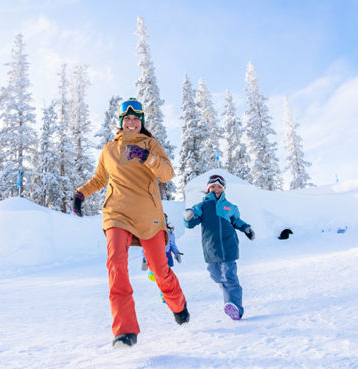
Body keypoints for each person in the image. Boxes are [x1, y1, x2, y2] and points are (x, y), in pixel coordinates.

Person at [72, 98, 189, 348]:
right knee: (115, 264)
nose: (132, 122)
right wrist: (81, 193)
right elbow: (99, 179)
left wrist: (148, 157)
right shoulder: (109, 150)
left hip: (148, 215)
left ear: (141, 122)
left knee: (160, 271)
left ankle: (178, 303)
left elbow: (167, 174)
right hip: (117, 213)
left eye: (136, 119)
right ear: (121, 123)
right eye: (127, 119)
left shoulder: (151, 144)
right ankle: (125, 331)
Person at [183, 174, 255, 320]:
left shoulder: (230, 206)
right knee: (215, 273)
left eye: (219, 187)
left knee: (229, 276)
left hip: (229, 246)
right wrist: (188, 216)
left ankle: (235, 307)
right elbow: (190, 223)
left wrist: (246, 228)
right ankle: (223, 284)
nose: (216, 189)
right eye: (213, 186)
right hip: (211, 248)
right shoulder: (202, 206)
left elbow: (237, 221)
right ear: (208, 189)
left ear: (223, 189)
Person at [141, 213, 183, 303]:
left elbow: (172, 245)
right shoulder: (151, 232)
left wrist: (176, 253)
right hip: (154, 257)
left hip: (166, 257)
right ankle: (152, 274)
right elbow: (145, 247)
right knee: (156, 277)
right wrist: (144, 260)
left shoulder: (169, 233)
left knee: (164, 278)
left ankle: (164, 295)